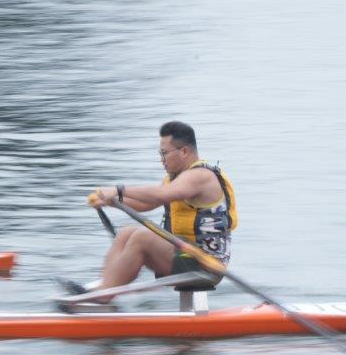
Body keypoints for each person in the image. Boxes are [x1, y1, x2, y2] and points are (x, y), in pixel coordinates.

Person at [72, 121, 237, 299]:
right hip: (186, 256)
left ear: (184, 151)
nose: (161, 160)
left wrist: (118, 189)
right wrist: (111, 201)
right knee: (126, 233)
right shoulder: (175, 179)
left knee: (142, 237)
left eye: (165, 153)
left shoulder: (201, 176)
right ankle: (103, 287)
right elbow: (147, 205)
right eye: (160, 153)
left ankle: (102, 297)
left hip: (207, 266)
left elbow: (160, 195)